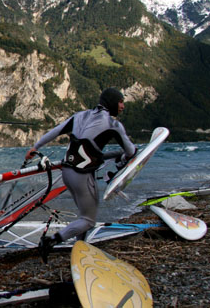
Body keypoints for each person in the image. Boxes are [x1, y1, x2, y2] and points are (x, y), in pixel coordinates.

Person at [25, 88, 136, 263]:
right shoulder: (113, 125)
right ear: (112, 102)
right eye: (121, 102)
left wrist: (35, 147)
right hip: (83, 175)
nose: (122, 106)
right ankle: (50, 241)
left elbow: (56, 131)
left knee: (83, 215)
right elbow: (131, 151)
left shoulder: (79, 116)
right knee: (88, 220)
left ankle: (81, 249)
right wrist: (125, 158)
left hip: (67, 173)